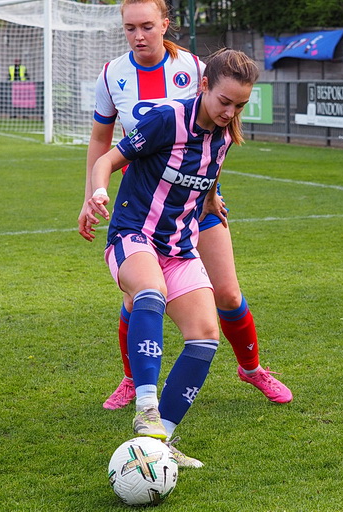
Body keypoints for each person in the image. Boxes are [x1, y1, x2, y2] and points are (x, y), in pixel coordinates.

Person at [79, 0, 292, 413]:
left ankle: (251, 369)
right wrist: (91, 192)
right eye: (129, 28)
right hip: (143, 204)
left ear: (165, 24)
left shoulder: (201, 68)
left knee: (227, 293)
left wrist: (211, 193)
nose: (138, 35)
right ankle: (133, 381)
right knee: (140, 295)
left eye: (146, 26)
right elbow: (102, 143)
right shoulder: (113, 74)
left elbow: (213, 142)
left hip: (195, 202)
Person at [81, 48, 260, 468]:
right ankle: (145, 407)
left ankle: (161, 440)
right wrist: (98, 192)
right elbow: (109, 157)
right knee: (150, 292)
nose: (230, 111)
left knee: (205, 335)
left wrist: (211, 198)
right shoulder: (166, 120)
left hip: (180, 246)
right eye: (224, 101)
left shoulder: (227, 133)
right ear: (203, 86)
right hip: (133, 233)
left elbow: (210, 170)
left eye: (240, 105)